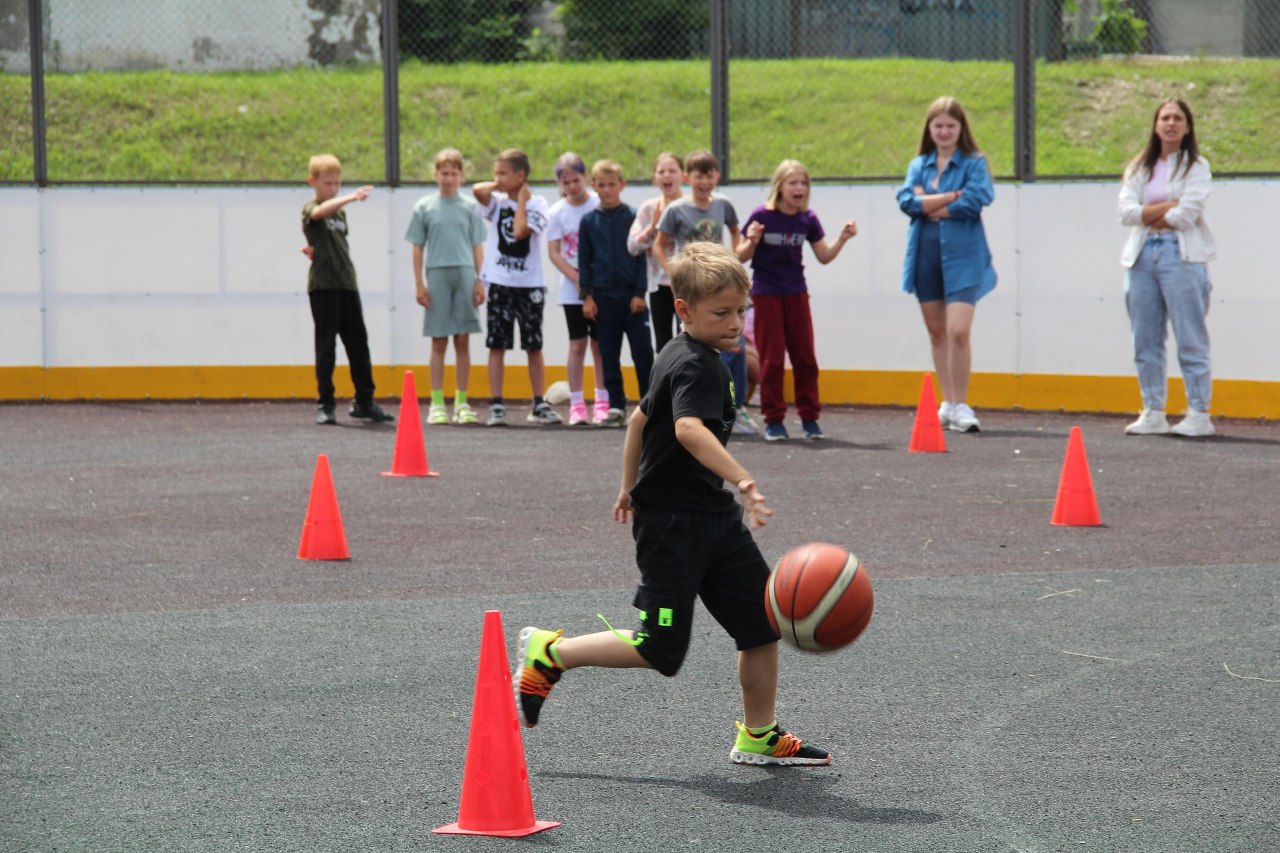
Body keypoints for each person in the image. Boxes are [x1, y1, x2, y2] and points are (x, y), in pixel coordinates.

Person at [513, 242, 831, 767]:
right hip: (672, 528)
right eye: (721, 313)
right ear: (683, 310)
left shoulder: (678, 351)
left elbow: (640, 419)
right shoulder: (699, 367)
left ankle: (758, 735)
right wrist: (744, 481)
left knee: (761, 624)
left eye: (741, 311)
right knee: (659, 647)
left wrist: (626, 482)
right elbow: (686, 429)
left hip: (714, 520)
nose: (735, 323)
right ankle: (550, 653)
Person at [737, 159, 858, 441]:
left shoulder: (808, 219)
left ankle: (809, 418)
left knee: (805, 357)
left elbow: (824, 256)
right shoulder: (762, 216)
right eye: (793, 182)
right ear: (780, 186)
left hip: (796, 292)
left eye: (804, 183)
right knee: (772, 359)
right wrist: (752, 240)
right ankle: (774, 420)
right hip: (766, 293)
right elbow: (739, 256)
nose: (800, 188)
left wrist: (842, 239)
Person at [895, 96, 996, 433]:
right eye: (938, 125)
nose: (944, 131)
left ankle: (961, 402)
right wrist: (950, 196)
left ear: (960, 128)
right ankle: (948, 404)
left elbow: (978, 199)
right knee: (937, 333)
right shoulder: (918, 164)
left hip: (964, 256)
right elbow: (907, 201)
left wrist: (931, 203)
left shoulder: (974, 162)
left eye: (950, 125)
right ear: (929, 128)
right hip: (925, 255)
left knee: (959, 330)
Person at [1117, 98, 1216, 438]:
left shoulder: (1196, 167)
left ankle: (1199, 413)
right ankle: (1153, 410)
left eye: (1177, 118)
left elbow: (1186, 215)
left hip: (1182, 256)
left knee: (1190, 337)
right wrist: (1165, 207)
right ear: (1156, 125)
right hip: (1142, 255)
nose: (1170, 123)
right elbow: (1125, 213)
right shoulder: (1139, 168)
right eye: (1165, 118)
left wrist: (1150, 210)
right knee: (1145, 337)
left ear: (1187, 126)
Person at [654, 149, 755, 435]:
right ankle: (689, 408)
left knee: (734, 347)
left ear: (716, 177)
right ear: (688, 177)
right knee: (694, 348)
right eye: (698, 175)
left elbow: (737, 233)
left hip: (720, 288)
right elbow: (659, 245)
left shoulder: (724, 205)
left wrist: (733, 259)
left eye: (710, 175)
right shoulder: (676, 210)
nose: (704, 181)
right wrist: (673, 273)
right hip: (695, 291)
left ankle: (737, 408)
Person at [301, 153, 393, 426]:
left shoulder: (340, 213)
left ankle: (364, 401)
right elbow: (319, 214)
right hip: (324, 286)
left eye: (337, 184)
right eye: (328, 183)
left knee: (358, 345)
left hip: (346, 283)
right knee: (326, 346)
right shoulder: (311, 208)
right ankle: (325, 403)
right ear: (313, 182)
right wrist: (351, 197)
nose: (333, 188)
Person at [473, 149, 560, 426]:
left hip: (529, 284)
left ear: (520, 176)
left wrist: (521, 200)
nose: (496, 178)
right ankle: (497, 404)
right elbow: (477, 190)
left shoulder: (539, 204)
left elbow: (520, 231)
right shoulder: (496, 201)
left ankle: (539, 403)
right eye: (495, 173)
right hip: (500, 282)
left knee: (533, 345)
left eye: (502, 173)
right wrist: (501, 186)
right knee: (497, 344)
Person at [404, 148, 487, 425]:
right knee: (439, 340)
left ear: (461, 176)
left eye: (453, 173)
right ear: (435, 174)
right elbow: (417, 247)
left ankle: (462, 402)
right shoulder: (424, 207)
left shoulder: (469, 207)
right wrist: (419, 284)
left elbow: (477, 246)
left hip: (464, 274)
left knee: (462, 340)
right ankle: (437, 403)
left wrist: (479, 280)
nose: (448, 178)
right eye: (444, 173)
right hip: (437, 275)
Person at [577, 159, 655, 428]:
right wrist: (587, 297)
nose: (607, 190)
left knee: (643, 353)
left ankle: (649, 405)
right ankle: (616, 406)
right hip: (602, 299)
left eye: (612, 184)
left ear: (623, 185)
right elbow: (584, 261)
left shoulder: (633, 217)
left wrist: (639, 293)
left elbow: (642, 257)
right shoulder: (588, 222)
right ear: (593, 186)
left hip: (632, 298)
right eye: (602, 185)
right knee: (608, 353)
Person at [546, 152, 609, 426]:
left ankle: (603, 400)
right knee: (577, 344)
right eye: (566, 182)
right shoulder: (557, 212)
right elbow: (555, 252)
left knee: (599, 344)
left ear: (586, 177)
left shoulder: (598, 204)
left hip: (602, 285)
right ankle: (576, 403)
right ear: (560, 184)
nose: (572, 186)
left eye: (576, 179)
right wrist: (577, 280)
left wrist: (594, 281)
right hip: (573, 288)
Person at [627, 152, 687, 352]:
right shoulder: (648, 208)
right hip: (659, 285)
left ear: (683, 175)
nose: (667, 175)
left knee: (689, 340)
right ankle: (666, 383)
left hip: (688, 284)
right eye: (661, 171)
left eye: (672, 171)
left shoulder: (690, 205)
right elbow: (633, 246)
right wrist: (653, 227)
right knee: (663, 344)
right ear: (654, 178)